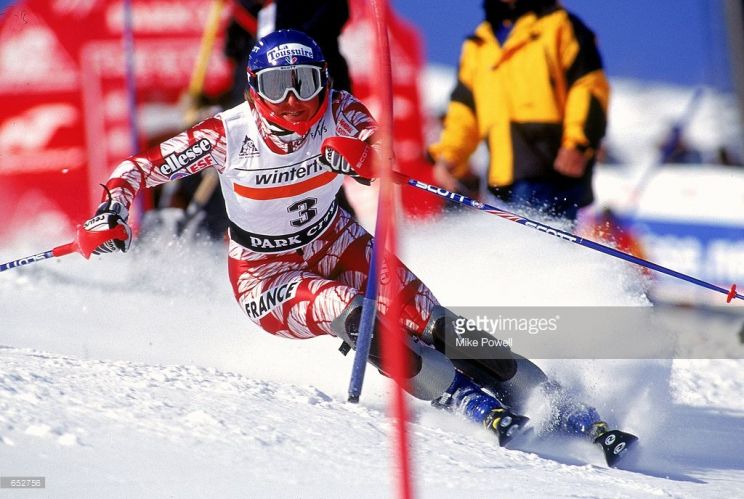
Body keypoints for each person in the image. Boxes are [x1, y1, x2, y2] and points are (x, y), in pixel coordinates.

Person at [81, 29, 614, 450]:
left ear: (324, 81)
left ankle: (552, 400)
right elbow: (140, 166)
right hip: (266, 273)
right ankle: (465, 400)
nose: (292, 100)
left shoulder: (339, 110)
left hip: (337, 241)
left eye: (306, 82)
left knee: (435, 321)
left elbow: (375, 146)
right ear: (252, 87)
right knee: (360, 317)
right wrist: (111, 208)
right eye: (275, 86)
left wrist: (364, 157)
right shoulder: (229, 132)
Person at [428, 0, 610, 221]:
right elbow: (464, 109)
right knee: (515, 247)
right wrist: (450, 155)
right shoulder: (479, 43)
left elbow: (588, 87)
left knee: (542, 247)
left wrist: (579, 144)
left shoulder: (560, 25)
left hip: (554, 169)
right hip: (503, 177)